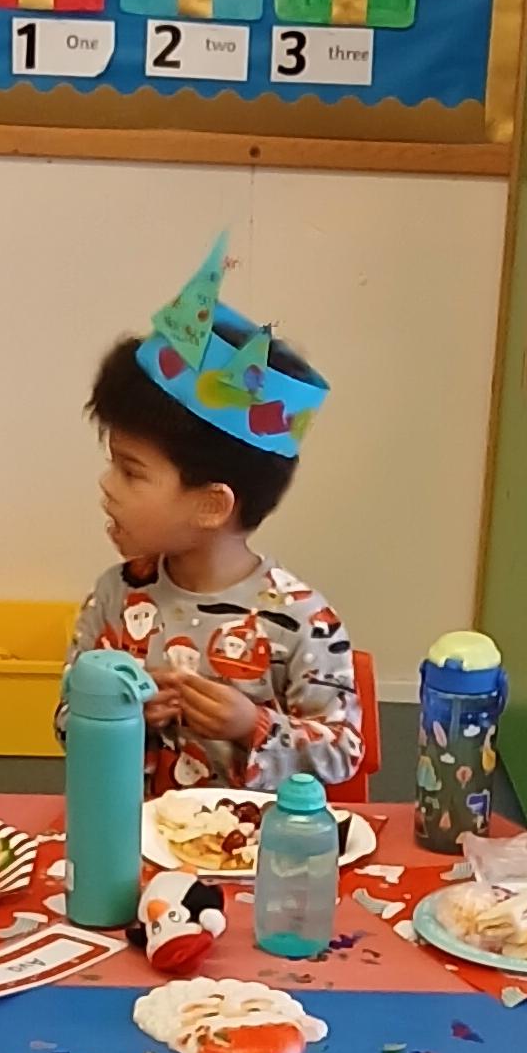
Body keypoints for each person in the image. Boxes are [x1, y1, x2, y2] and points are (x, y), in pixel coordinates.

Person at [71, 232, 360, 799]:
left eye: (131, 471)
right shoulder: (115, 599)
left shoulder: (299, 619)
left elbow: (343, 751)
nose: (106, 485)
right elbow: (66, 723)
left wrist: (252, 725)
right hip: (133, 839)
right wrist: (118, 714)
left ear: (211, 505)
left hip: (254, 847)